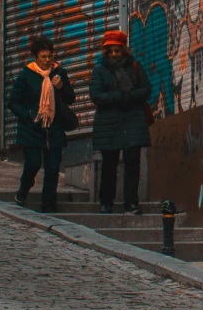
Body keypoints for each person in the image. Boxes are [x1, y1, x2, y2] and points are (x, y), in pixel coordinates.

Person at [8, 34, 77, 211]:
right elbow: (13, 102)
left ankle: (48, 204)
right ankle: (23, 191)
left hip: (54, 128)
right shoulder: (26, 75)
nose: (47, 60)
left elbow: (70, 98)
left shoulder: (59, 73)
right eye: (43, 57)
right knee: (33, 163)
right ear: (35, 57)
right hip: (32, 128)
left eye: (49, 56)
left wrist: (61, 87)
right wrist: (28, 115)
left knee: (53, 168)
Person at [88, 29, 153, 213]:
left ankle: (131, 202)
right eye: (111, 51)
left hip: (133, 120)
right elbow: (96, 95)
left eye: (117, 50)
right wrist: (117, 97)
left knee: (133, 163)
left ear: (124, 49)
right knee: (109, 164)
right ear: (106, 51)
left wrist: (131, 96)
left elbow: (146, 88)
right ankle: (106, 200)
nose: (115, 54)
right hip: (109, 124)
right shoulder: (100, 70)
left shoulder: (134, 66)